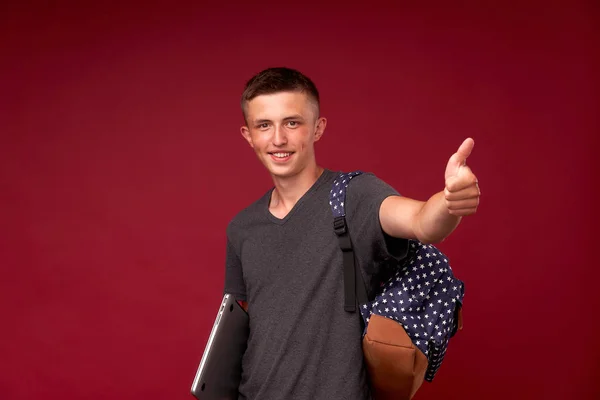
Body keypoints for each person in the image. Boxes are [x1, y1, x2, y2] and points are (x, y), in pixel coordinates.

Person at [223, 67, 480, 400]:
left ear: (318, 128)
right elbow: (239, 332)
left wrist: (449, 202)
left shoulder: (353, 196)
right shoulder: (242, 228)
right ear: (248, 135)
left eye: (292, 122)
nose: (278, 139)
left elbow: (420, 222)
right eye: (264, 125)